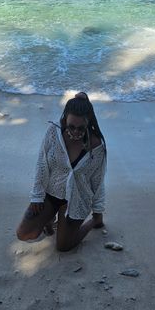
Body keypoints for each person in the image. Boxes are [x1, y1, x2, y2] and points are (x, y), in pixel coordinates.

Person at [16, 92, 107, 252]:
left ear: (88, 122)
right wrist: (37, 196)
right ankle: (50, 218)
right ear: (65, 119)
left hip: (76, 199)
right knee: (24, 233)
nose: (76, 132)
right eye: (71, 126)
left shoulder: (96, 146)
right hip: (51, 193)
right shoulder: (54, 132)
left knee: (63, 246)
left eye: (81, 128)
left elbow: (97, 181)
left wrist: (97, 211)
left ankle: (94, 221)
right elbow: (42, 164)